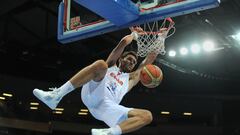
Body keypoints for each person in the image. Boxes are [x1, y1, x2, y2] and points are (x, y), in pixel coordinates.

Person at [33, 27, 167, 135]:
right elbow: (122, 44)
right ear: (121, 59)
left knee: (147, 116)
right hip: (93, 93)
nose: (132, 62)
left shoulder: (131, 78)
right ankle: (56, 96)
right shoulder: (111, 65)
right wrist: (133, 35)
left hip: (107, 108)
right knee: (101, 65)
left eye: (134, 62)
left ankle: (109, 132)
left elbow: (149, 59)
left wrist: (162, 37)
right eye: (129, 59)